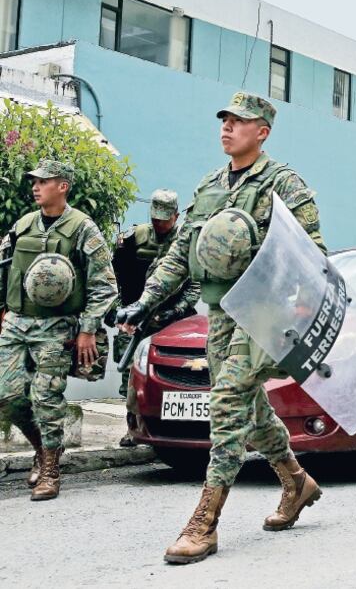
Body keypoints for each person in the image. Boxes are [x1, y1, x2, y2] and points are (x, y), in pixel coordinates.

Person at [117, 92, 325, 564]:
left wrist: (296, 316)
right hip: (220, 314)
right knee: (251, 406)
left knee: (227, 403)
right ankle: (295, 480)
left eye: (239, 121)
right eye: (225, 120)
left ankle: (204, 523)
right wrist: (145, 301)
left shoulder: (285, 185)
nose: (227, 128)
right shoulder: (210, 185)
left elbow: (313, 256)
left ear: (263, 132)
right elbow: (181, 254)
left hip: (262, 316)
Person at [0, 160, 117, 500]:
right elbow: (4, 270)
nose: (36, 187)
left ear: (62, 186)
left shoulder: (83, 228)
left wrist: (88, 329)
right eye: (34, 181)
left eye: (44, 181)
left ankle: (51, 470)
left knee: (45, 396)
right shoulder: (23, 225)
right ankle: (42, 447)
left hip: (58, 326)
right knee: (6, 394)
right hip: (17, 322)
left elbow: (104, 285)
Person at [110, 189, 200, 446]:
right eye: (155, 218)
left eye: (164, 218)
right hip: (136, 320)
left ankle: (174, 425)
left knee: (175, 372)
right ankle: (132, 426)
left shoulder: (186, 242)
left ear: (176, 215)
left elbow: (195, 286)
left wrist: (176, 311)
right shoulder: (134, 238)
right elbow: (115, 277)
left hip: (173, 320)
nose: (159, 223)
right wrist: (121, 311)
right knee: (130, 374)